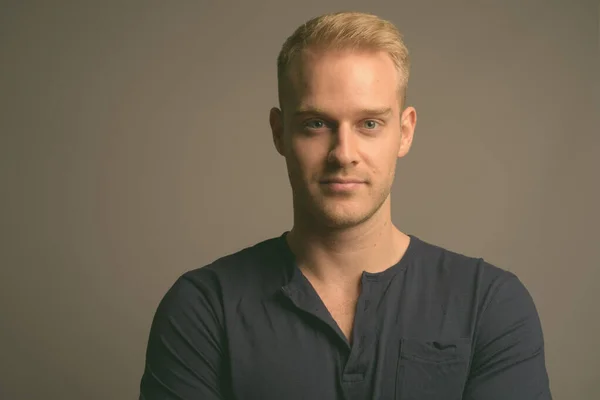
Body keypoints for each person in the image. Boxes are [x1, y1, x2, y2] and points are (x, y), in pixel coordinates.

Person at [139, 11, 552, 400]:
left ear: (404, 133)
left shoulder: (489, 303)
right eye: (316, 124)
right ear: (279, 133)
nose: (344, 153)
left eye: (369, 124)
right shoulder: (203, 308)